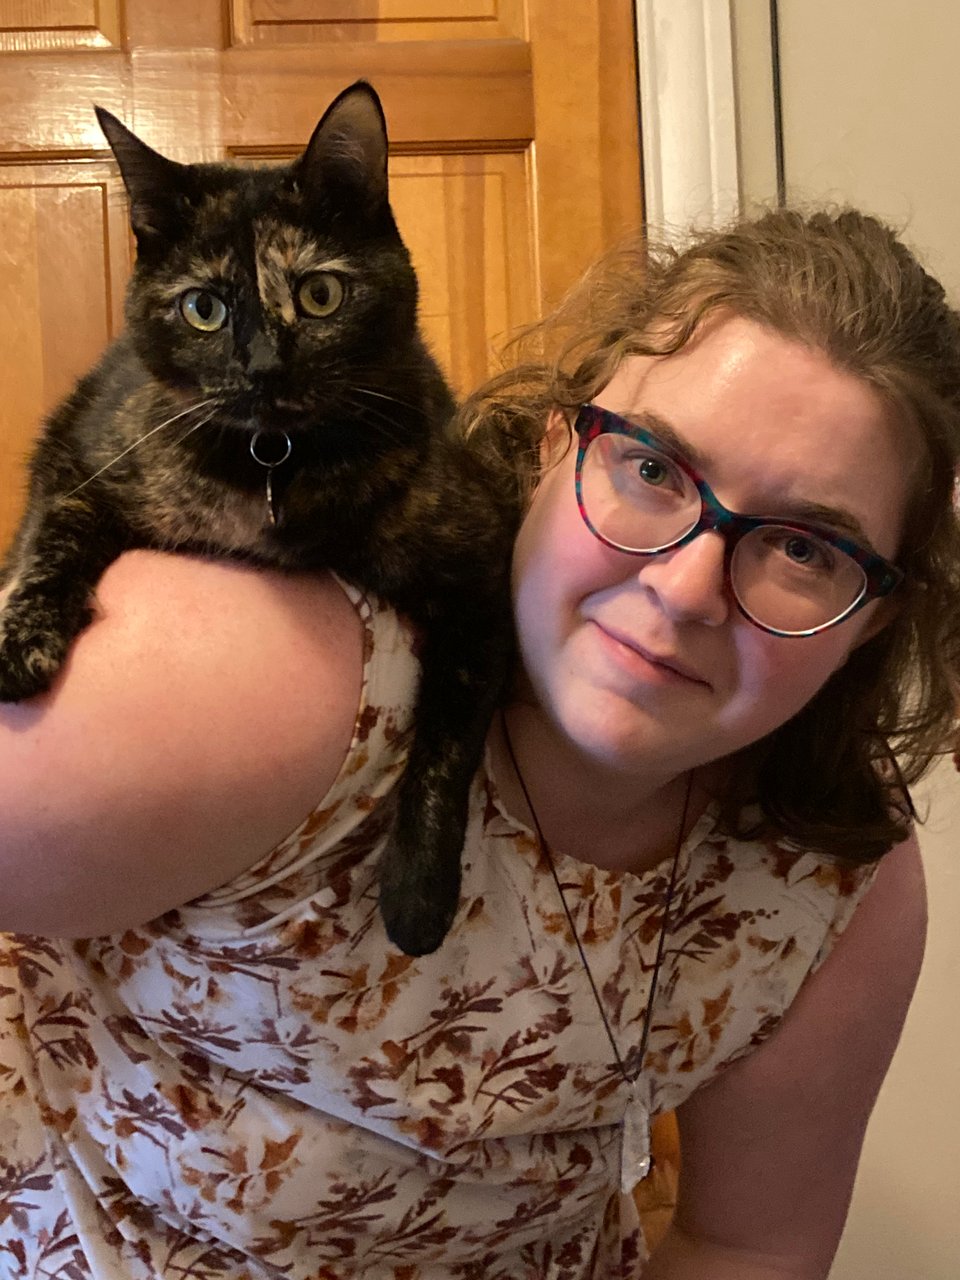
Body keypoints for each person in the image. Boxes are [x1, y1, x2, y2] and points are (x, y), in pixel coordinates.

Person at [0, 206, 958, 1280]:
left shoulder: (822, 868)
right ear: (560, 439)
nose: (684, 589)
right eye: (651, 469)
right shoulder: (265, 676)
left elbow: (750, 1241)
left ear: (871, 613)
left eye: (801, 545)